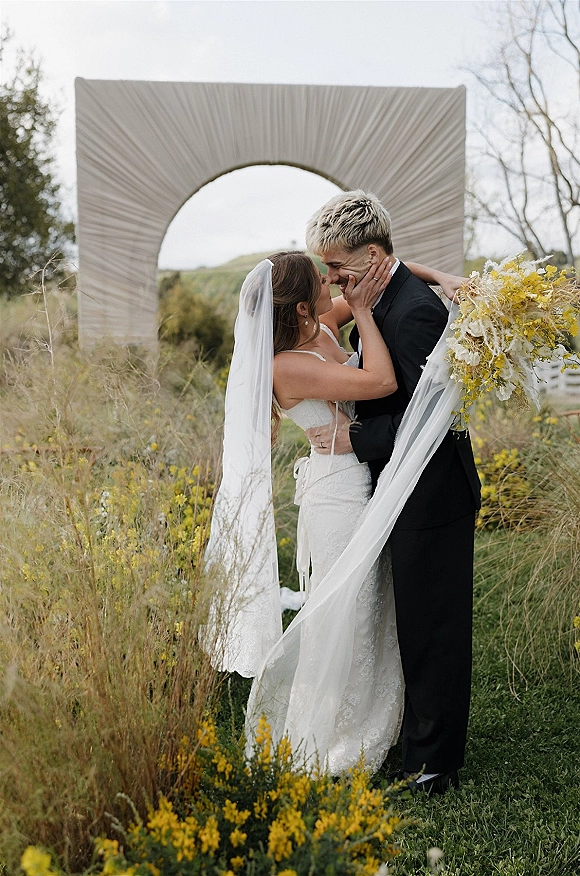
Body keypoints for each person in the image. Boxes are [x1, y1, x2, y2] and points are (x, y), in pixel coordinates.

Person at [204, 244, 464, 775]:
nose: (334, 284)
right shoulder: (287, 367)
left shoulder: (319, 327)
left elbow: (383, 274)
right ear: (302, 306)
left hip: (364, 479)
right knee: (350, 607)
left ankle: (378, 714)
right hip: (337, 493)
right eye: (323, 282)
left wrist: (438, 276)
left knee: (374, 604)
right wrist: (365, 314)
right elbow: (381, 383)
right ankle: (331, 731)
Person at [303, 190, 481, 795]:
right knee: (411, 621)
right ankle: (416, 741)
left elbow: (422, 421)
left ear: (372, 255)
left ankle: (434, 766)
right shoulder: (380, 297)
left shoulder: (412, 314)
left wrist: (349, 439)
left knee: (435, 628)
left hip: (432, 494)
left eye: (338, 269)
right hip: (399, 489)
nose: (332, 282)